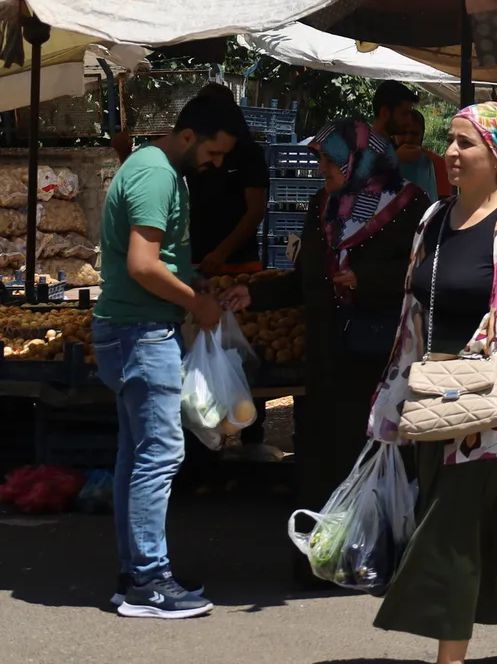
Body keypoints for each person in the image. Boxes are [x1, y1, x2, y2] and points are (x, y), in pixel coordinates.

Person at [368, 103, 497, 664]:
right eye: (452, 141)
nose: (452, 154)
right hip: (434, 395)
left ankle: (448, 658)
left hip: (496, 407)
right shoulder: (431, 219)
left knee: (449, 532)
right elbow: (414, 315)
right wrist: (392, 395)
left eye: (466, 144)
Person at [245, 119, 428, 558]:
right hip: (330, 359)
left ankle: (381, 550)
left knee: (380, 455)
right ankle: (328, 553)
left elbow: (422, 272)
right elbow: (305, 279)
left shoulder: (409, 205)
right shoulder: (321, 206)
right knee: (325, 457)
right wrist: (248, 296)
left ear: (359, 159)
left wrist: (365, 280)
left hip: (380, 359)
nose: (321, 167)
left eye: (329, 159)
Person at [95, 94, 239, 619]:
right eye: (214, 152)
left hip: (131, 330)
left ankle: (136, 573)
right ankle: (149, 584)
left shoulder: (158, 171)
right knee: (159, 456)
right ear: (187, 135)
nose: (216, 165)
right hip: (141, 334)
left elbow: (163, 261)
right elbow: (141, 264)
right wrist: (195, 302)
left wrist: (198, 284)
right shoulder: (156, 174)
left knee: (136, 456)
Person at [184, 84, 268, 277]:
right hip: (199, 261)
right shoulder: (193, 150)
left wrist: (221, 253)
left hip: (240, 264)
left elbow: (256, 211)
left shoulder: (248, 152)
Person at [392, 101, 451, 204]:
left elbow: (443, 204)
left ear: (422, 135)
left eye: (414, 134)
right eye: (402, 133)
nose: (408, 139)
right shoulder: (381, 161)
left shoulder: (436, 163)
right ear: (393, 134)